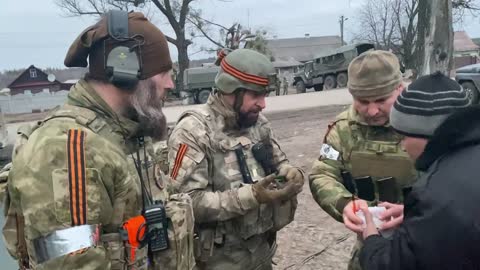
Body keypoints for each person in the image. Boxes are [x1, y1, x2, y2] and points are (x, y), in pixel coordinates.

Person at [2, 11, 195, 270]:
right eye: (163, 73)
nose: (171, 84)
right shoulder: (66, 149)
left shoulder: (127, 135)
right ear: (126, 70)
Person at [168, 48, 304, 270]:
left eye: (265, 95)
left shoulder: (258, 123)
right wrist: (251, 196)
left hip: (261, 252)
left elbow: (280, 164)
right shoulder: (193, 130)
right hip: (218, 260)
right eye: (255, 95)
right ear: (230, 90)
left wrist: (292, 174)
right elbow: (186, 203)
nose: (263, 104)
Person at [309, 50, 417, 270]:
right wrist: (344, 203)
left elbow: (452, 184)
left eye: (381, 100)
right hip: (368, 248)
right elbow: (322, 173)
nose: (372, 110)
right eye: (362, 101)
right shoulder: (343, 129)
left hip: (421, 245)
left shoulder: (422, 124)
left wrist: (416, 211)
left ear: (400, 88)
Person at [359, 72, 474, 270]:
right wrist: (419, 216)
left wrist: (371, 240)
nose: (402, 146)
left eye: (403, 136)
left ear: (425, 133)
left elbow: (393, 265)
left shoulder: (437, 192)